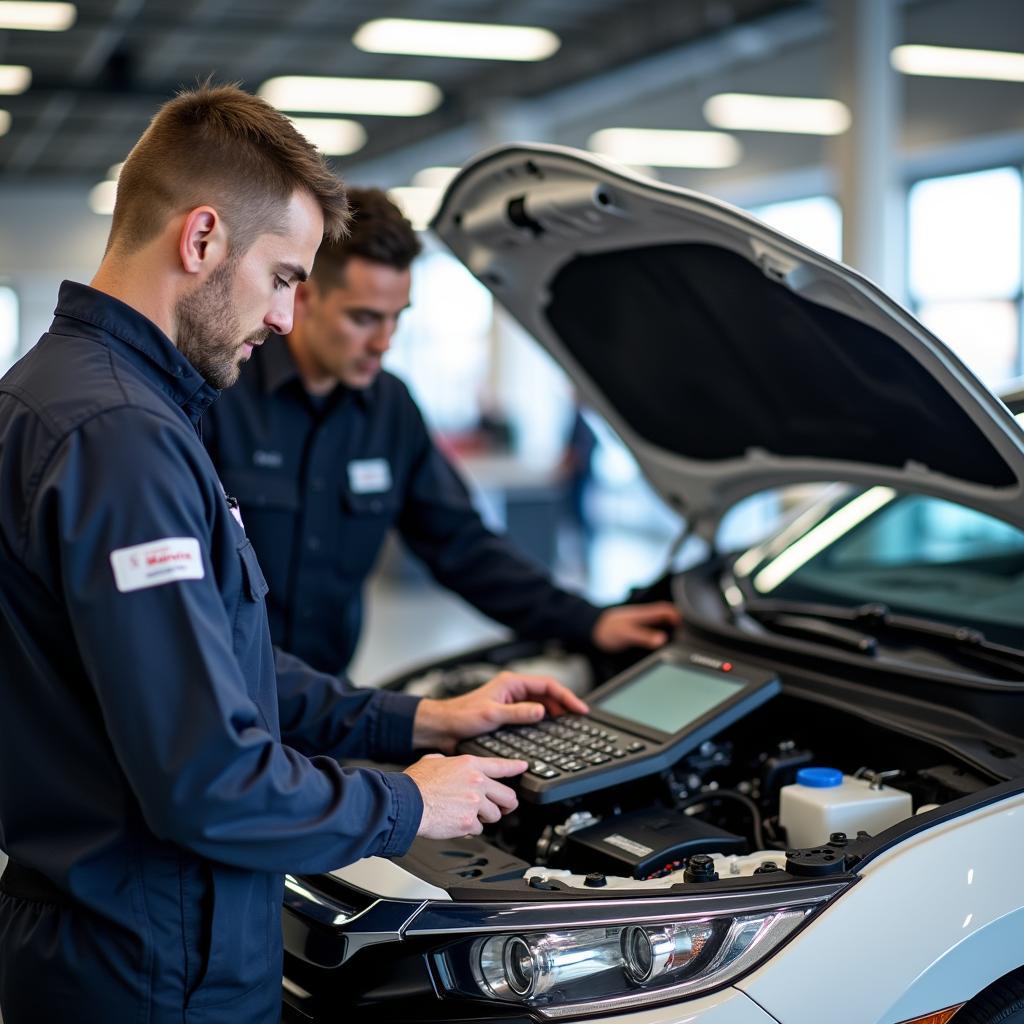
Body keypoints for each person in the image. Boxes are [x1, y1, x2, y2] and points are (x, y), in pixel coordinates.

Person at [0, 84, 588, 1024]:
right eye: (282, 276)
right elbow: (208, 780)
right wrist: (405, 803)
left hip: (119, 938)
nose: (283, 316)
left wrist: (420, 720)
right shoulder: (123, 438)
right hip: (156, 965)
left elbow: (218, 669)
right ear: (202, 240)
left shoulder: (69, 398)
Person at [202, 187, 681, 675]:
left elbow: (461, 545)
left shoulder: (390, 407)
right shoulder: (219, 397)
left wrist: (587, 622)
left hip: (327, 702)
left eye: (397, 317)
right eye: (364, 318)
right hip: (222, 696)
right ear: (303, 297)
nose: (385, 341)